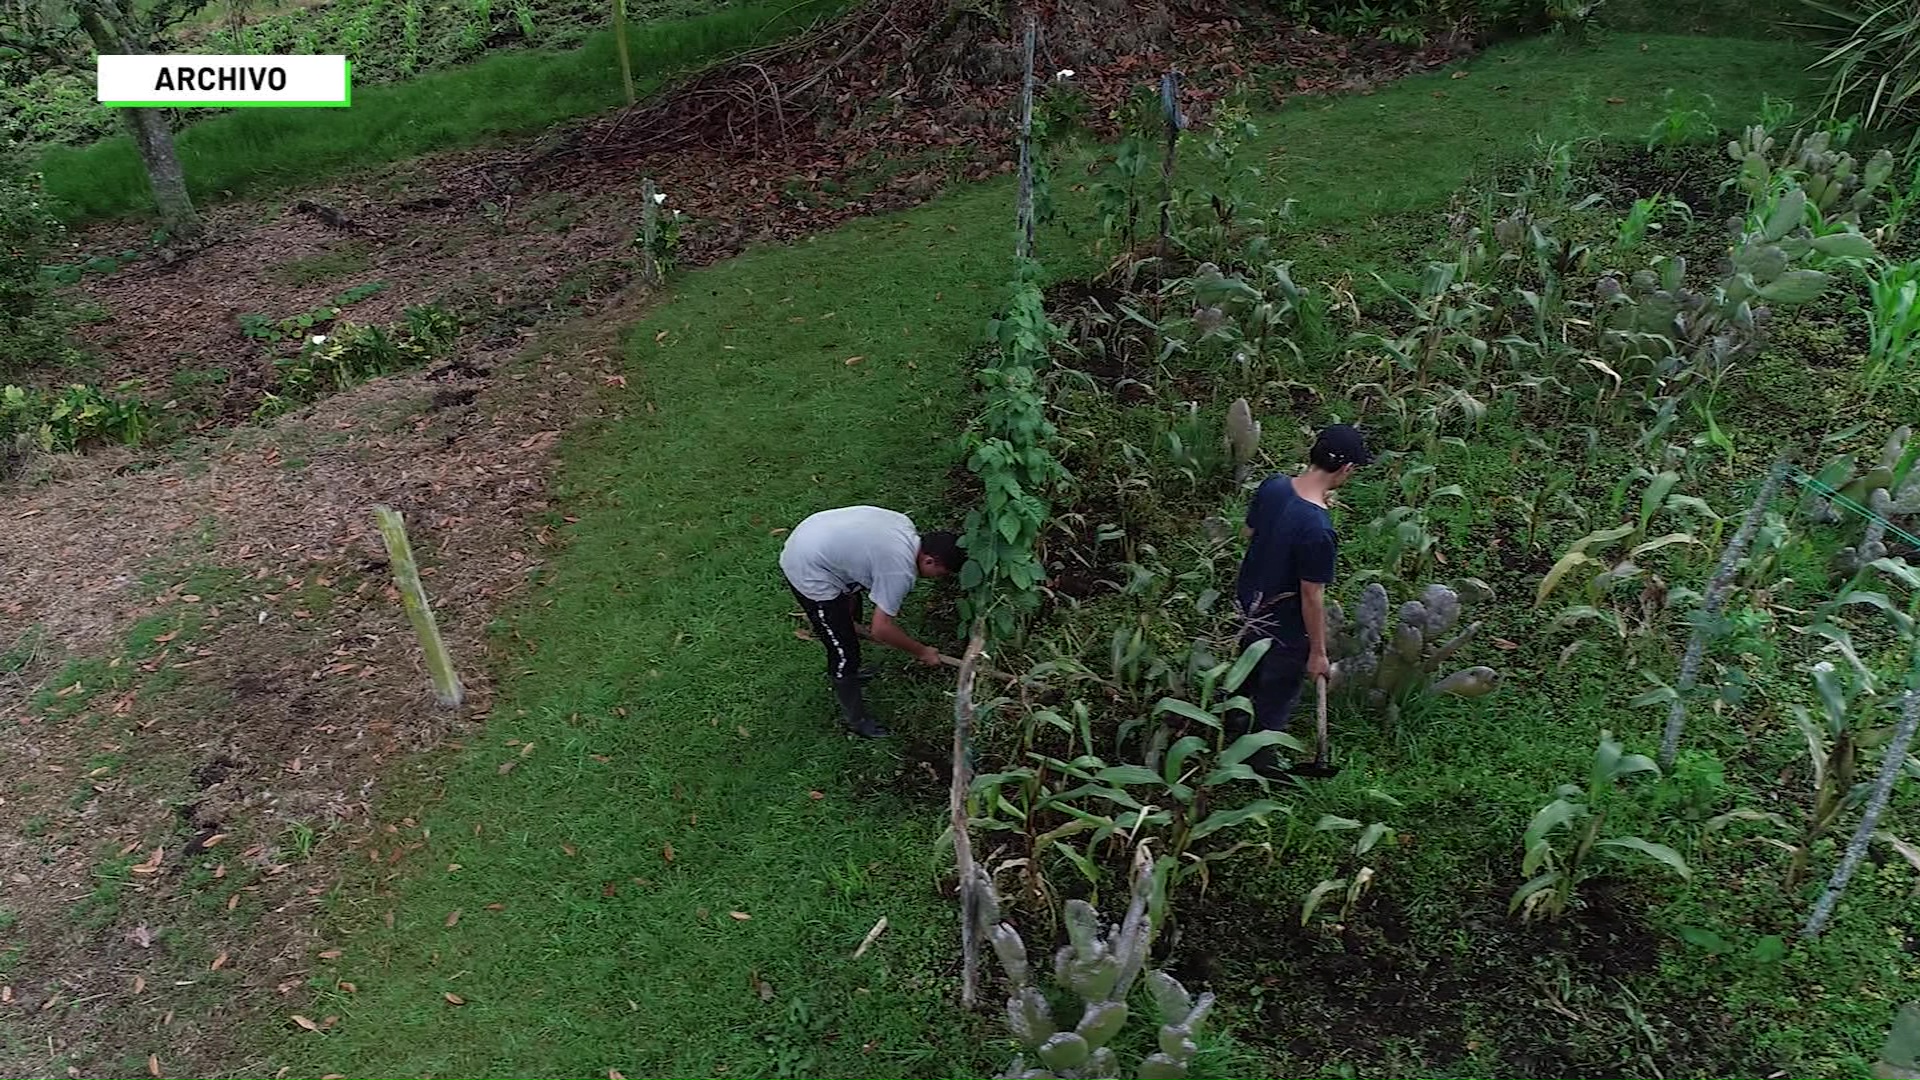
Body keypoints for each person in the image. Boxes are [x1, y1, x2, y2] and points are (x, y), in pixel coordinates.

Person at [1233, 424, 1372, 769]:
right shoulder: (1319, 531)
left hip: (1248, 608)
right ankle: (1259, 765)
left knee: (1243, 682)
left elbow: (1247, 531)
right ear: (1347, 469)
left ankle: (1229, 735)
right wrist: (1318, 653)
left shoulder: (1274, 486)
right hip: (1286, 627)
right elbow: (1311, 596)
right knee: (1274, 699)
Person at [780, 505, 964, 738]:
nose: (938, 578)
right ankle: (857, 720)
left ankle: (848, 654)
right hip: (807, 566)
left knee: (848, 617)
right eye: (941, 573)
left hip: (815, 534)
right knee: (844, 651)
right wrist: (922, 651)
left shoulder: (903, 526)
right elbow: (881, 629)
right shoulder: (899, 570)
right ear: (929, 560)